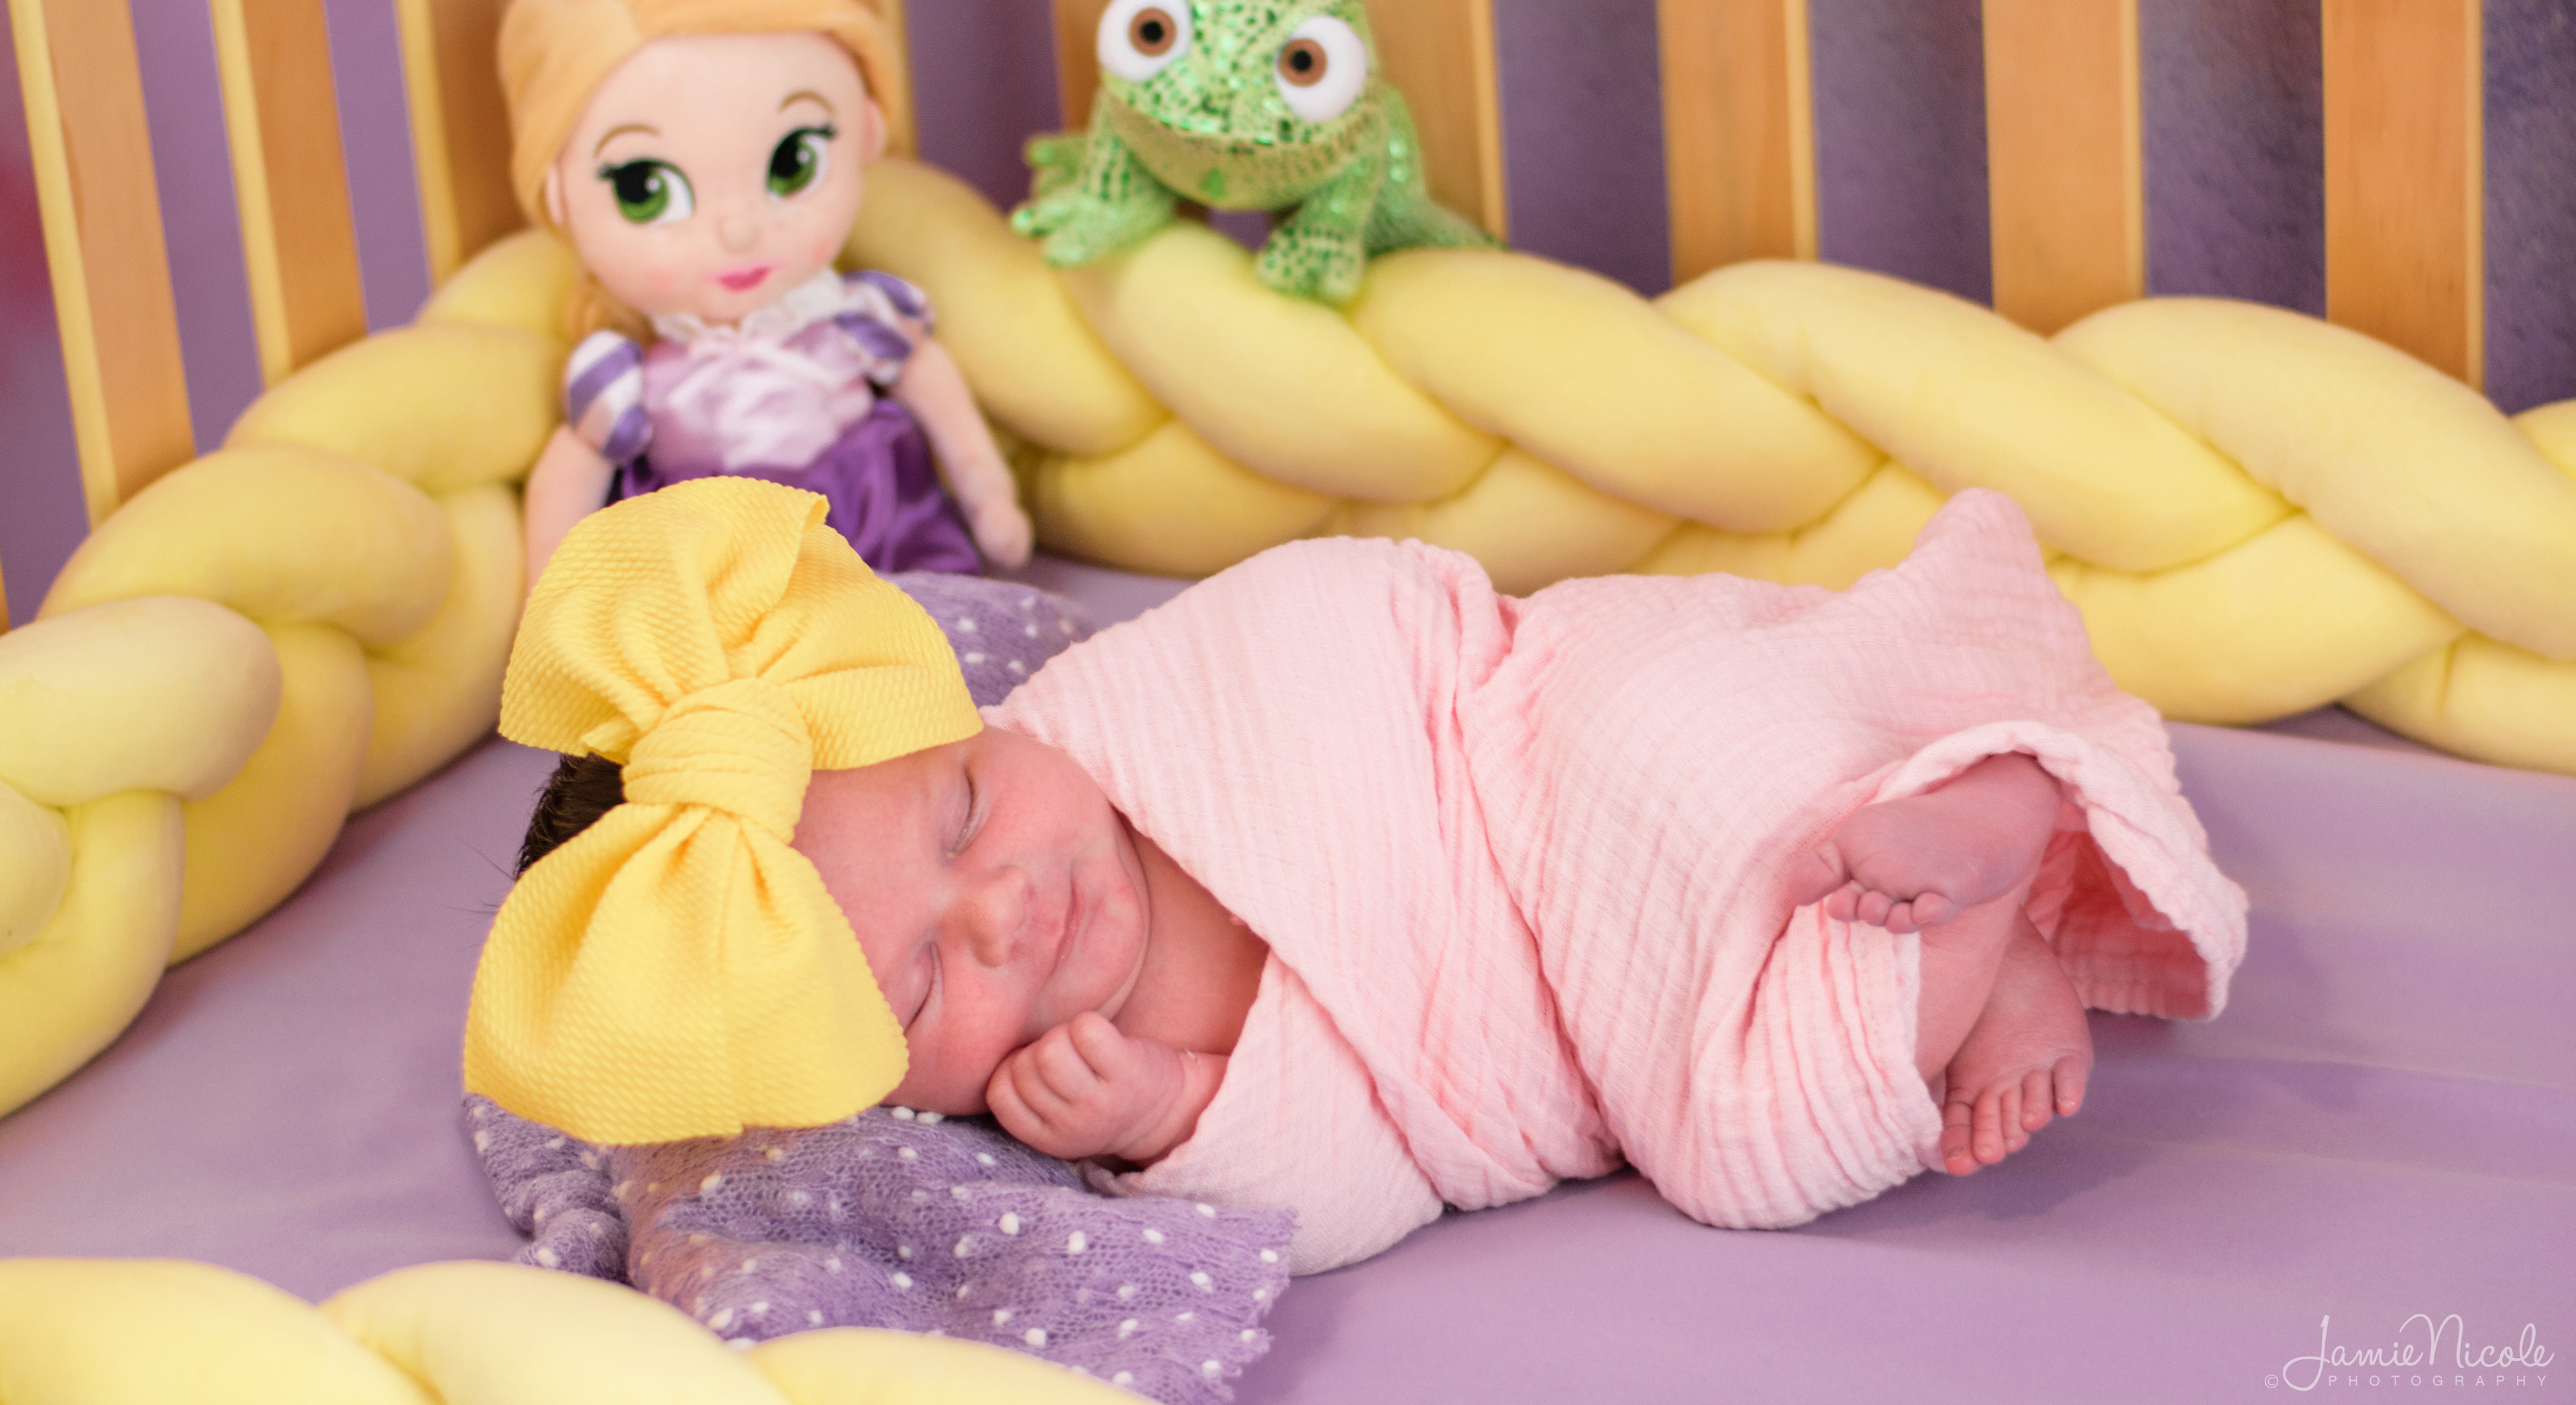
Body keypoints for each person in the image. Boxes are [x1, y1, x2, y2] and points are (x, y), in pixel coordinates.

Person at [468, 478, 2246, 1273]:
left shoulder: (1114, 708)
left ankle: (1967, 797)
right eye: (927, 981)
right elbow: (1376, 1173)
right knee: (1750, 1149)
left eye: (960, 814)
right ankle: (1988, 889)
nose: (1006, 904)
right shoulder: (1080, 1096)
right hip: (1577, 1020)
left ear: (955, 722)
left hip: (1535, 733)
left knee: (1683, 751)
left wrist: (1472, 721)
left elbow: (1346, 616)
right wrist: (1177, 1113)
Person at [503, 0, 1030, 592]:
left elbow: (930, 382)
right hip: (715, 566)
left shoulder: (859, 318)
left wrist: (990, 497)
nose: (739, 233)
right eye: (645, 191)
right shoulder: (621, 379)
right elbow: (572, 474)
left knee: (921, 624)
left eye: (792, 164)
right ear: (560, 198)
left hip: (873, 537)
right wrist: (550, 599)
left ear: (867, 132)